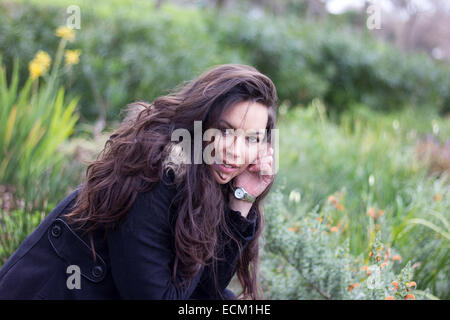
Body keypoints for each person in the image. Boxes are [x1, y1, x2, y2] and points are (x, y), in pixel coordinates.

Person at [0, 64, 278, 299]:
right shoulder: (155, 175)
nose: (235, 151)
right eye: (225, 130)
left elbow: (208, 291)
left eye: (252, 139)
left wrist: (242, 199)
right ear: (200, 121)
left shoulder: (209, 177)